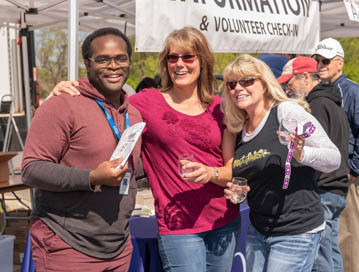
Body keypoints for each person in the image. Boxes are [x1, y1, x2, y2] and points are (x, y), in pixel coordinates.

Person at [49, 26, 241, 272]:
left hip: (224, 219)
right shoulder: (146, 102)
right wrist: (68, 87)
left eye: (188, 57)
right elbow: (104, 95)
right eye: (173, 58)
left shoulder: (220, 107)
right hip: (179, 226)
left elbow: (232, 169)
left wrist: (210, 173)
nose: (179, 64)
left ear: (202, 61)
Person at [21, 28, 143, 271]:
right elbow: (31, 169)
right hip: (68, 244)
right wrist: (91, 177)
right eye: (103, 59)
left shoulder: (133, 114)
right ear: (87, 65)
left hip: (118, 245)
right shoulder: (62, 105)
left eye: (120, 58)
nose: (113, 66)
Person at [222, 54, 341, 272]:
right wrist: (241, 192)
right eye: (232, 84)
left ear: (264, 83)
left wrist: (302, 154)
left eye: (247, 81)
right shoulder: (239, 129)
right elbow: (259, 176)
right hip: (258, 230)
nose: (238, 88)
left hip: (296, 230)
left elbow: (334, 159)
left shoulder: (286, 113)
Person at [277, 56, 350, 272]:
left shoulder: (316, 106)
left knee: (321, 258)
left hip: (324, 188)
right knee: (330, 252)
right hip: (337, 186)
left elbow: (320, 152)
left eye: (290, 83)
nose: (288, 90)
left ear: (306, 78)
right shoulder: (334, 101)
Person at [313, 37, 359, 272]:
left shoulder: (351, 91)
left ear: (339, 63)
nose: (320, 64)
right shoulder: (322, 91)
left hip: (344, 176)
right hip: (330, 176)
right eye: (317, 59)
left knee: (346, 238)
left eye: (326, 60)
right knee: (332, 242)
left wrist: (354, 169)